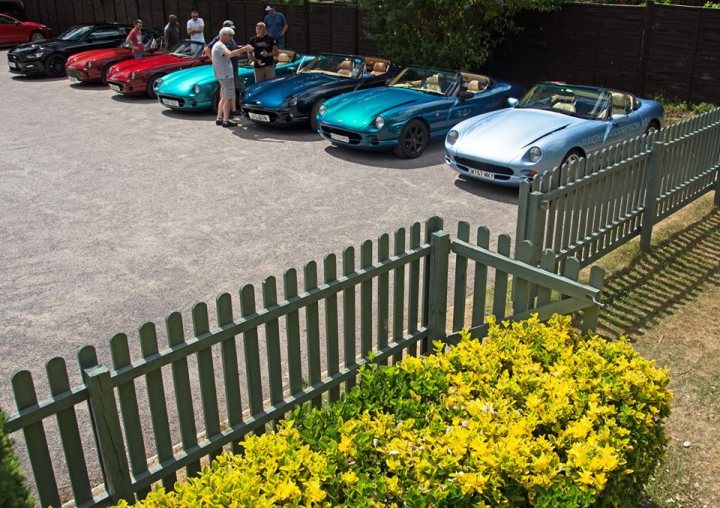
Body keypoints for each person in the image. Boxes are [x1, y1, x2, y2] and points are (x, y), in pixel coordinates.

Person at [212, 27, 252, 127]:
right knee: (228, 98)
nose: (231, 38)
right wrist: (243, 49)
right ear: (224, 35)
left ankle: (219, 117)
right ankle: (226, 120)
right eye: (230, 36)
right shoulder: (221, 46)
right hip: (226, 75)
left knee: (224, 97)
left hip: (221, 75)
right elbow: (230, 54)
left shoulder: (217, 45)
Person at [205, 20, 242, 116]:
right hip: (225, 69)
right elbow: (207, 49)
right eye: (230, 32)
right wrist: (215, 61)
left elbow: (233, 49)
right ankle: (226, 114)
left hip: (232, 66)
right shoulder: (219, 40)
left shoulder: (230, 39)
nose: (231, 35)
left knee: (231, 89)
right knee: (225, 92)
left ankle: (232, 109)